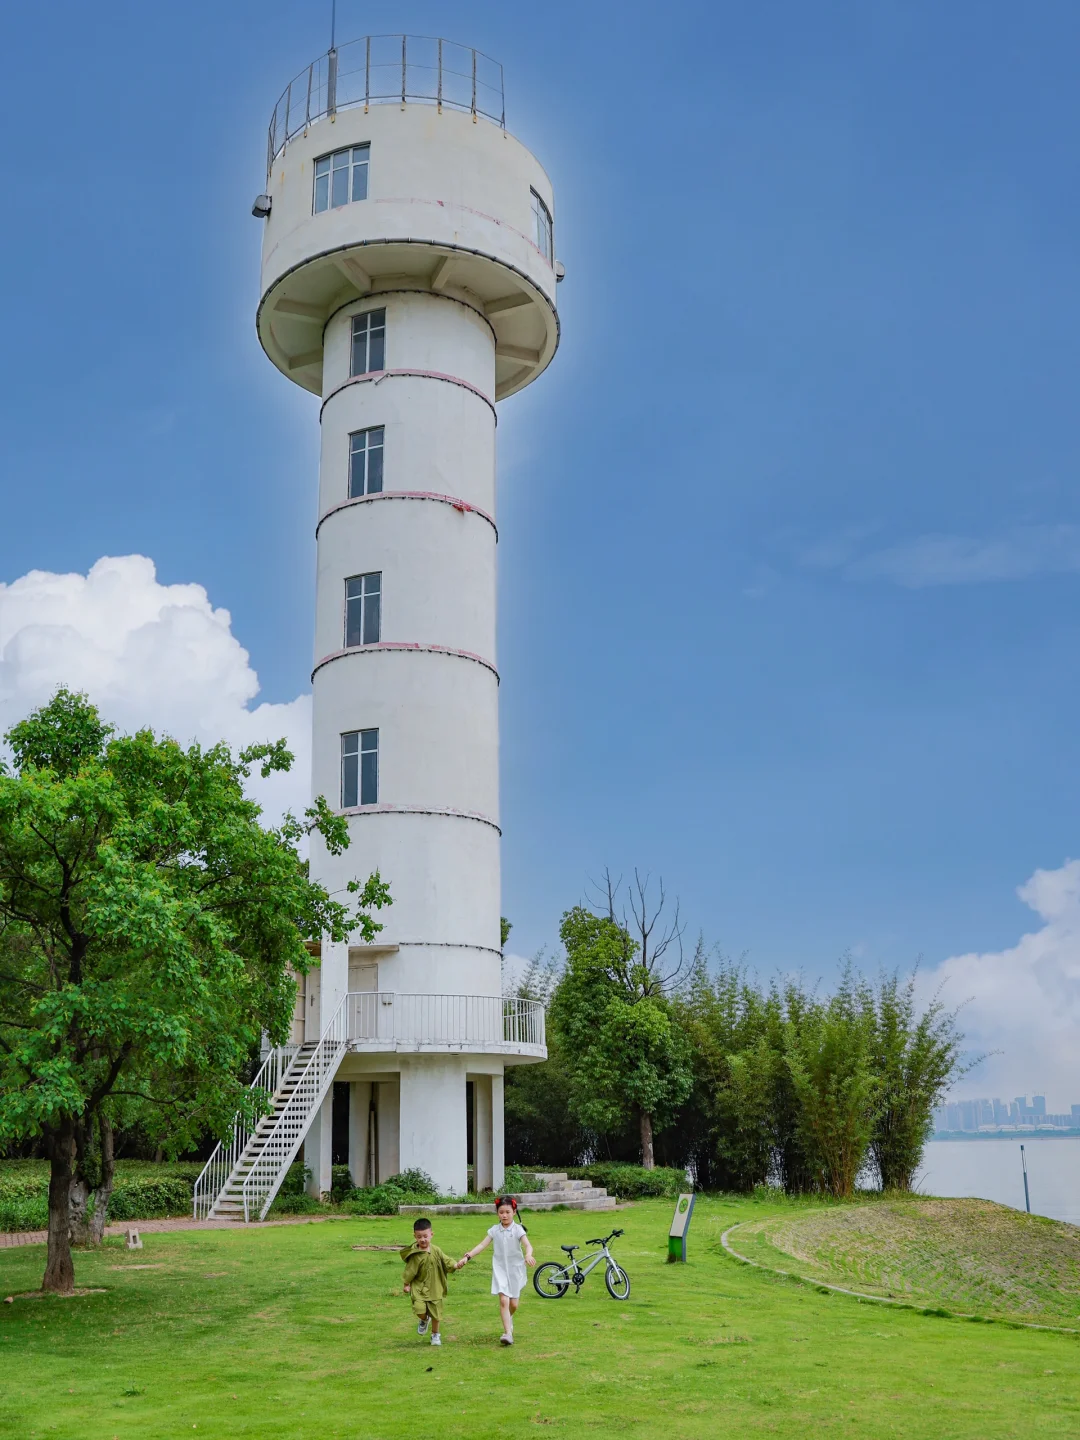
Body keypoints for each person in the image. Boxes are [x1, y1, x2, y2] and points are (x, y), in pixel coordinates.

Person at [460, 1195, 535, 1345]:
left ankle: (509, 1318)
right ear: (497, 1213)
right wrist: (467, 1257)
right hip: (500, 1269)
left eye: (507, 1212)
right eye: (501, 1212)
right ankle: (508, 1333)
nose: (504, 1215)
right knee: (503, 1300)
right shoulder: (494, 1230)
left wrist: (528, 1255)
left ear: (514, 1212)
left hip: (515, 1269)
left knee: (513, 1305)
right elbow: (482, 1245)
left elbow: (528, 1245)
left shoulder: (518, 1229)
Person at [400, 1216, 462, 1346]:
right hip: (419, 1288)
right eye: (419, 1237)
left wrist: (455, 1265)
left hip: (435, 1287)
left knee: (436, 1314)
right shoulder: (415, 1254)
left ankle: (435, 1335)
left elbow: (446, 1260)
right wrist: (406, 1284)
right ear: (415, 1236)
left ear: (431, 1235)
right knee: (419, 1309)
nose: (422, 1239)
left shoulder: (436, 1250)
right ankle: (424, 1319)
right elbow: (410, 1270)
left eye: (425, 1236)